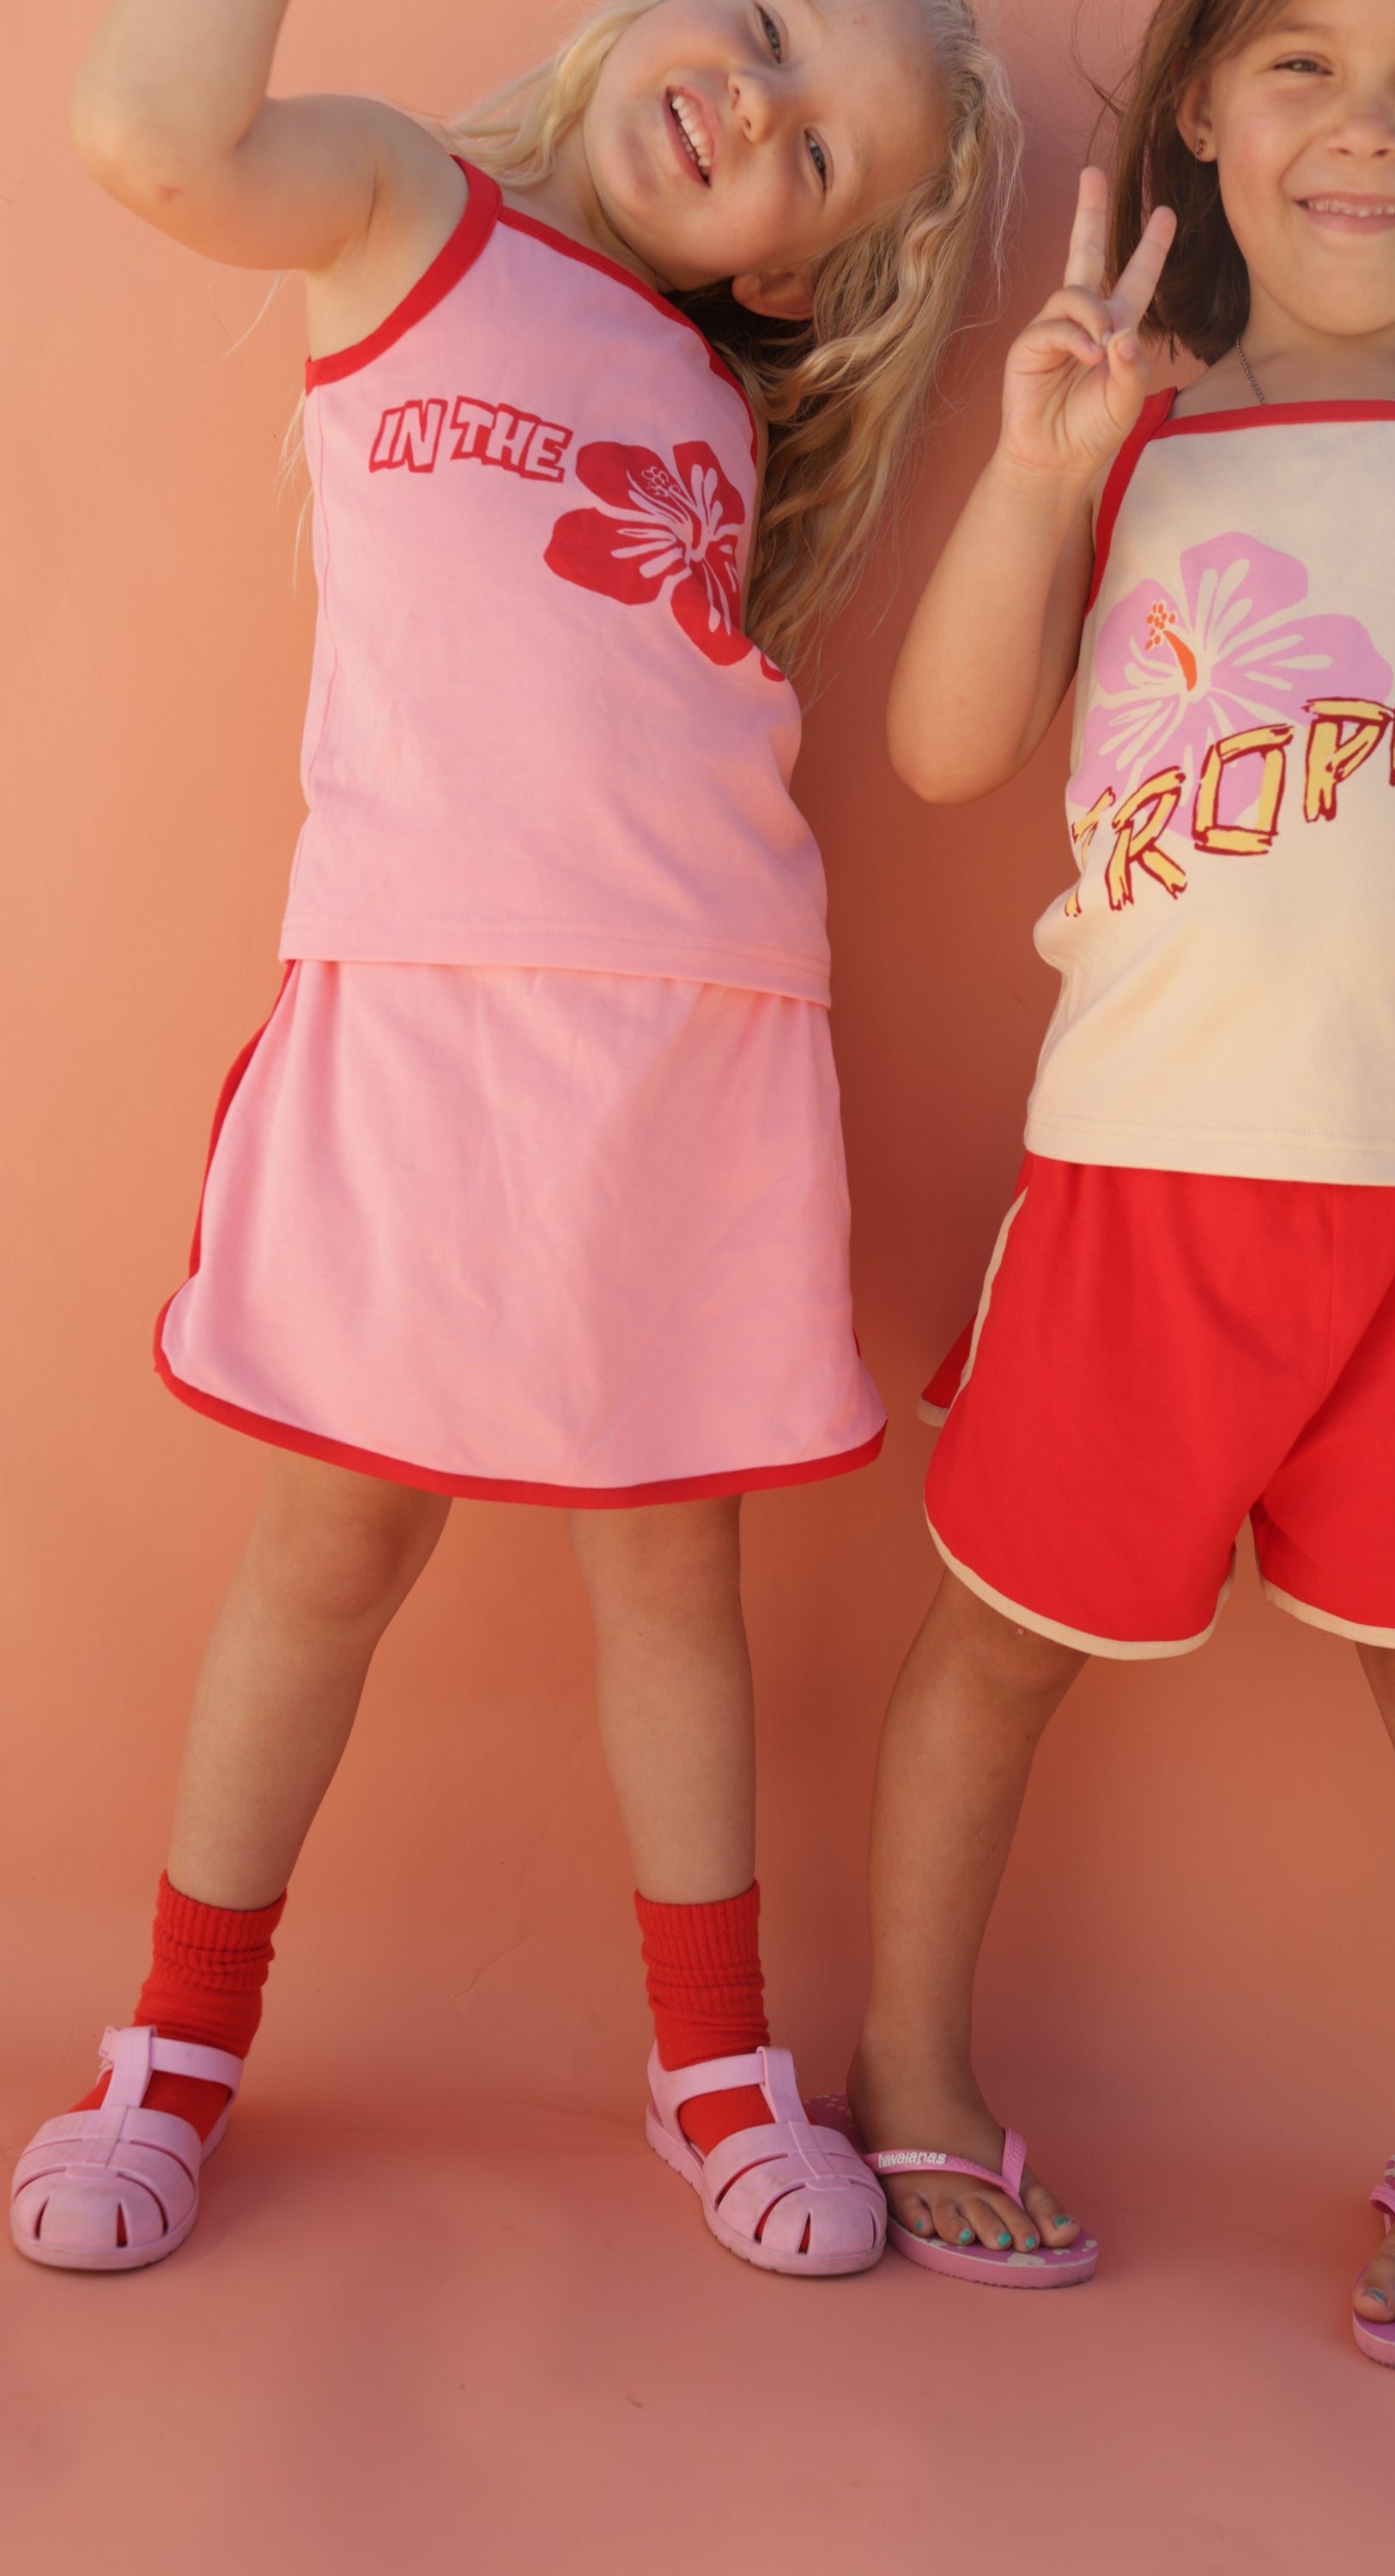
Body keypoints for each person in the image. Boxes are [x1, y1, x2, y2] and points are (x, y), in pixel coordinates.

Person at [11, 0, 1016, 2281]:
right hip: (429, 1024)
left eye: (819, 162)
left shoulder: (720, 397)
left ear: (792, 274)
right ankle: (172, 2038)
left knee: (675, 1580)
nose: (755, 104)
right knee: (328, 1553)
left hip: (699, 1055)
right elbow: (146, 137)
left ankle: (714, 2060)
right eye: (762, 29)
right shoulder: (399, 209)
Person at [847, 0, 1395, 2371]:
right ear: (1204, 109)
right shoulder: (1130, 444)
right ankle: (912, 2070)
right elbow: (935, 754)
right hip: (1140, 1197)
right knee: (997, 1644)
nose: (1365, 124)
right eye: (1301, 60)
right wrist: (1034, 472)